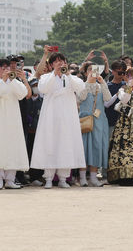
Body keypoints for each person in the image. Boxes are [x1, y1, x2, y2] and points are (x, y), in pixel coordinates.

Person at [31, 53, 86, 188]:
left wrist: (67, 74)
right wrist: (54, 74)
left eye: (62, 61)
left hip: (67, 117)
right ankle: (48, 178)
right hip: (50, 116)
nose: (60, 64)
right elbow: (42, 89)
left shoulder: (72, 78)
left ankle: (63, 178)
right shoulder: (45, 77)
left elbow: (80, 88)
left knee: (65, 145)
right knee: (50, 144)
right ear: (51, 64)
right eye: (56, 62)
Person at [77, 62, 111, 187]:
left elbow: (108, 99)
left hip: (99, 121)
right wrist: (88, 82)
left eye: (95, 69)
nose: (92, 72)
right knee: (84, 148)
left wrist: (102, 82)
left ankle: (93, 177)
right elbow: (80, 98)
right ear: (86, 72)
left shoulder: (101, 85)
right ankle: (82, 178)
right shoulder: (81, 85)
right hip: (85, 119)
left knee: (96, 147)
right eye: (90, 70)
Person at [0, 59, 30, 189]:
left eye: (7, 67)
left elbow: (22, 94)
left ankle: (10, 179)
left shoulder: (14, 82)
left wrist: (13, 80)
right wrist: (3, 80)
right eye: (3, 67)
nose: (6, 70)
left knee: (13, 148)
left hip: (13, 121)